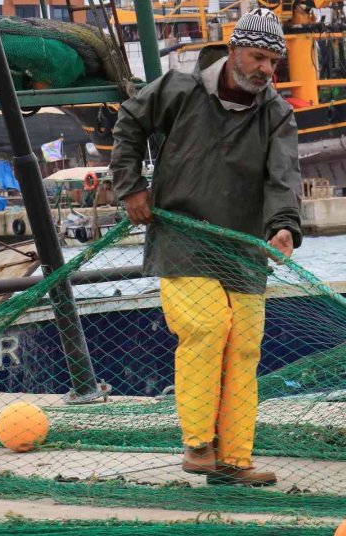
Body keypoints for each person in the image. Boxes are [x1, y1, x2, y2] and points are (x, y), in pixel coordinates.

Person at [110, 8, 303, 486]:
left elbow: (284, 177)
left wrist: (283, 228)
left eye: (273, 63)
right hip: (182, 235)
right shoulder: (179, 88)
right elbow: (129, 123)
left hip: (242, 245)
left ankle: (234, 460)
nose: (265, 70)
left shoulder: (277, 112)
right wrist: (131, 186)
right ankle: (198, 445)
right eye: (258, 57)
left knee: (245, 347)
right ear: (234, 50)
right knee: (205, 326)